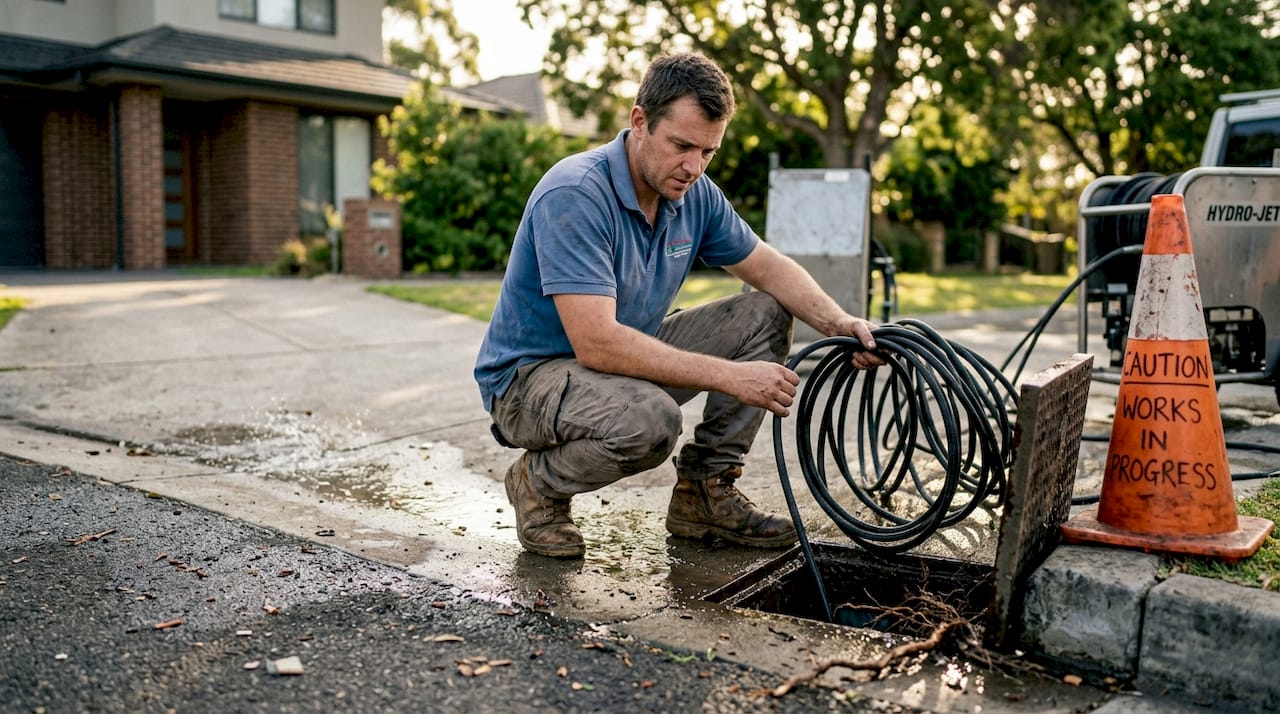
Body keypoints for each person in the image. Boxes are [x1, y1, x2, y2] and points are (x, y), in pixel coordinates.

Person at [474, 52, 882, 559]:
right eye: (682, 146)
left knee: (767, 311)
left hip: (613, 363)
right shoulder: (576, 192)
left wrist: (839, 322)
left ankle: (704, 493)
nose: (693, 167)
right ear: (639, 121)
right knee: (651, 421)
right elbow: (597, 343)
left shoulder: (695, 195)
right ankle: (538, 484)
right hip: (527, 381)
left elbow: (768, 267)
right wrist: (730, 376)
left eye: (708, 152)